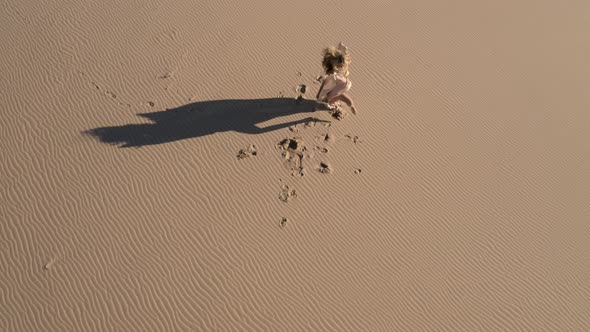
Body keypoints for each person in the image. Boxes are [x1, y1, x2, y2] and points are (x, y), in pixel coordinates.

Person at [316, 42, 357, 114]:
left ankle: (349, 106)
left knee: (345, 100)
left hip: (340, 86)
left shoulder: (335, 75)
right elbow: (325, 84)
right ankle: (342, 50)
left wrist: (351, 106)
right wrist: (319, 95)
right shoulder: (333, 76)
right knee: (348, 101)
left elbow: (348, 100)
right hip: (338, 88)